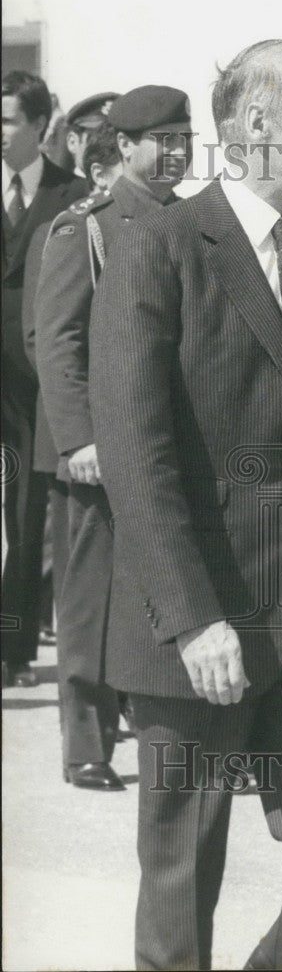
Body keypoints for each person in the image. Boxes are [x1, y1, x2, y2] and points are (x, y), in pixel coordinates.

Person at [88, 40, 282, 970]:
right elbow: (139, 455)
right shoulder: (160, 247)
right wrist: (194, 617)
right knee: (181, 882)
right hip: (198, 627)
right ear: (258, 126)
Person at [34, 88, 192, 791]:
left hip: (168, 442)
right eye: (163, 139)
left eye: (185, 136)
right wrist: (77, 441)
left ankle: (175, 727)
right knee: (93, 599)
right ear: (124, 147)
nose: (177, 151)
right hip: (98, 449)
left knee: (173, 583)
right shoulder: (87, 227)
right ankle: (87, 744)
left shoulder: (192, 222)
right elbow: (56, 341)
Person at [1, 70, 87, 687]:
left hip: (31, 386)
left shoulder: (73, 195)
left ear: (38, 126)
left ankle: (13, 648)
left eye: (6, 119)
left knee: (27, 520)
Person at [63, 91, 119, 179]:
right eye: (97, 137)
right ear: (72, 142)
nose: (108, 144)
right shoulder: (60, 190)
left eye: (113, 136)